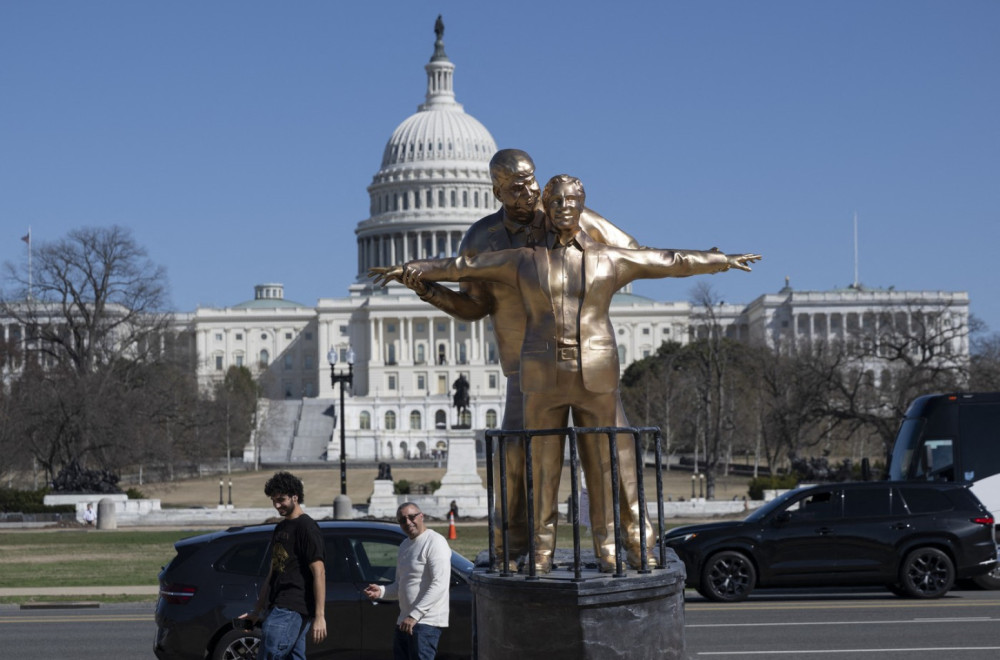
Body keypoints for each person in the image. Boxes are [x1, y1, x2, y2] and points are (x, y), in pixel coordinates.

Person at [377, 175, 761, 572]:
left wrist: (719, 261)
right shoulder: (524, 258)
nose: (563, 208)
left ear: (583, 206)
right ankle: (541, 552)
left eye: (571, 201)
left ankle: (608, 548)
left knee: (603, 465)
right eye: (556, 202)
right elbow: (462, 266)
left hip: (596, 371)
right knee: (541, 470)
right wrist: (414, 271)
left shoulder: (609, 257)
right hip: (540, 373)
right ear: (548, 206)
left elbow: (666, 260)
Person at [370, 148, 646, 570]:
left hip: (583, 359)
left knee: (616, 449)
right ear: (496, 190)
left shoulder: (564, 213)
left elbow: (631, 252)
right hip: (525, 367)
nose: (531, 190)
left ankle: (634, 540)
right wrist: (426, 289)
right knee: (516, 456)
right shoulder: (482, 238)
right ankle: (516, 548)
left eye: (532, 179)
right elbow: (472, 307)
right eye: (518, 186)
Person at [240, 471, 327, 659]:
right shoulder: (281, 528)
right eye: (273, 500)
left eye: (281, 500)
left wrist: (320, 616)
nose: (277, 505)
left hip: (292, 608)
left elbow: (319, 572)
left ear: (295, 497)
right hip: (277, 606)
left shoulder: (307, 527)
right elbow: (273, 572)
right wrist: (257, 610)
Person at [364, 503, 451, 660]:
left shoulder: (435, 542)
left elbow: (440, 584)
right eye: (402, 520)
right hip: (405, 621)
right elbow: (401, 585)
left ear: (421, 516)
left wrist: (415, 615)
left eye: (412, 517)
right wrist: (381, 592)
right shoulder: (405, 545)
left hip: (426, 623)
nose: (408, 522)